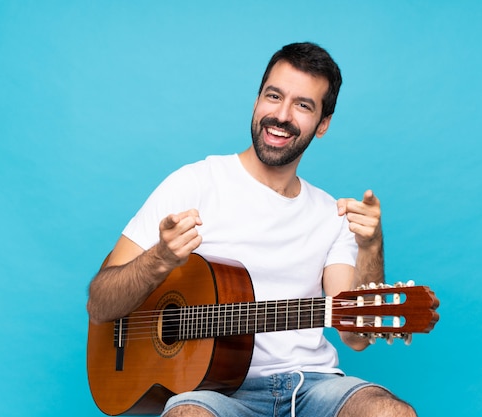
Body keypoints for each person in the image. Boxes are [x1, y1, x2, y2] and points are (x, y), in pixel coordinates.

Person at [87, 42, 416, 417]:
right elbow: (99, 306)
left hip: (313, 386)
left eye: (303, 105)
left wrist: (371, 245)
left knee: (390, 413)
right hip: (214, 393)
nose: (281, 115)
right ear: (257, 100)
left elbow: (355, 336)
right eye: (273, 96)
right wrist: (158, 260)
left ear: (322, 124)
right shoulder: (193, 184)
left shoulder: (332, 214)